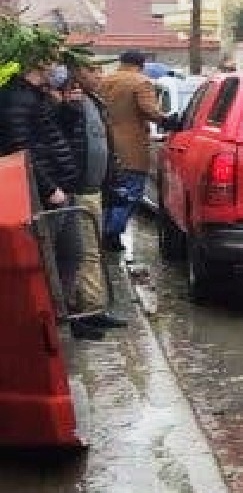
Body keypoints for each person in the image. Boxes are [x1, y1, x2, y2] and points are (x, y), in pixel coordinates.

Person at [0, 49, 95, 339]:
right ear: (37, 61)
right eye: (52, 59)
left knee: (71, 254)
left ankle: (60, 318)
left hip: (62, 189)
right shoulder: (15, 98)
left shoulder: (39, 95)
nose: (58, 66)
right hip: (46, 193)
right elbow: (20, 149)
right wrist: (48, 187)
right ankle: (42, 327)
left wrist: (69, 108)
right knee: (46, 260)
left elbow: (54, 135)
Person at [55, 54, 130, 330]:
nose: (98, 75)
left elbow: (106, 148)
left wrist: (114, 180)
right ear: (75, 72)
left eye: (100, 70)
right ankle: (87, 310)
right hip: (78, 189)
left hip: (95, 188)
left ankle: (92, 307)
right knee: (84, 251)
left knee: (91, 249)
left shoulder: (95, 103)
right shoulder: (68, 102)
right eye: (92, 70)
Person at [98, 50, 171, 252]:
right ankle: (112, 233)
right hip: (132, 148)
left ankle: (103, 230)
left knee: (110, 194)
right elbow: (149, 110)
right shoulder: (141, 82)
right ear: (142, 64)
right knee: (130, 193)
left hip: (106, 144)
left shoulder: (104, 81)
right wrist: (168, 120)